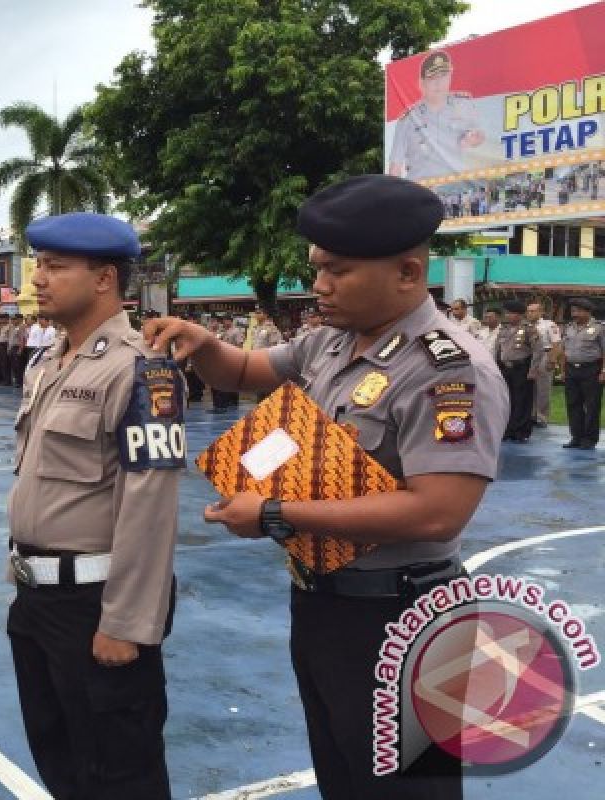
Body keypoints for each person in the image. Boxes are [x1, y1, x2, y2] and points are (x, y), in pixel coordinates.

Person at [146, 174, 508, 800]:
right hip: (325, 603)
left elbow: (437, 513)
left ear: (407, 272)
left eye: (337, 270)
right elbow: (248, 369)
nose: (319, 286)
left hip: (405, 618)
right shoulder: (334, 342)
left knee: (405, 792)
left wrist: (278, 512)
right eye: (316, 268)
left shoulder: (448, 371)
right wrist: (202, 343)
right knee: (343, 773)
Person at [8, 212, 183, 800]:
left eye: (56, 266)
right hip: (38, 599)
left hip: (97, 607)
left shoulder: (140, 368)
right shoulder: (46, 362)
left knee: (120, 772)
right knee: (59, 757)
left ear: (104, 278)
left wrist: (126, 622)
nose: (39, 278)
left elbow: (151, 505)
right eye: (41, 264)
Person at [387, 50, 485, 181]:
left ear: (450, 77)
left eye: (443, 76)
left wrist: (474, 139)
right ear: (422, 83)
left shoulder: (463, 105)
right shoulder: (408, 120)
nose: (439, 83)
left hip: (457, 186)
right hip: (421, 191)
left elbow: (481, 136)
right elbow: (395, 166)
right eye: (432, 78)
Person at [560, 297, 605, 450]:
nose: (575, 314)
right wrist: (563, 370)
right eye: (573, 311)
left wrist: (603, 371)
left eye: (578, 311)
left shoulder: (599, 328)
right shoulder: (569, 327)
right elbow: (564, 351)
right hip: (572, 369)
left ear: (588, 312)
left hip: (591, 369)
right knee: (573, 404)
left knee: (592, 405)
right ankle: (576, 437)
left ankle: (589, 439)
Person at [495, 299, 542, 442]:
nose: (508, 316)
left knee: (522, 400)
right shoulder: (503, 328)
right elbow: (498, 349)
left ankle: (520, 431)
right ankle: (508, 429)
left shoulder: (529, 328)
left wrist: (533, 370)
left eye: (511, 313)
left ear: (519, 315)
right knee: (507, 400)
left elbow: (538, 350)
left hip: (522, 368)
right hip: (506, 367)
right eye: (507, 313)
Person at [526, 301, 562, 427]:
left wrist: (552, 360)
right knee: (529, 388)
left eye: (533, 311)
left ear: (541, 312)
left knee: (543, 388)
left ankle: (541, 417)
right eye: (528, 311)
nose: (530, 314)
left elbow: (556, 343)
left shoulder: (549, 325)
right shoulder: (525, 326)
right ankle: (530, 414)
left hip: (545, 355)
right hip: (529, 357)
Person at [210, 314, 244, 412]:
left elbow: (239, 345)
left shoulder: (236, 331)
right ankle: (225, 403)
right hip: (222, 359)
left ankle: (231, 402)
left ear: (230, 321)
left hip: (232, 358)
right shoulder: (222, 332)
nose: (224, 322)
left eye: (226, 320)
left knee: (231, 381)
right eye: (223, 321)